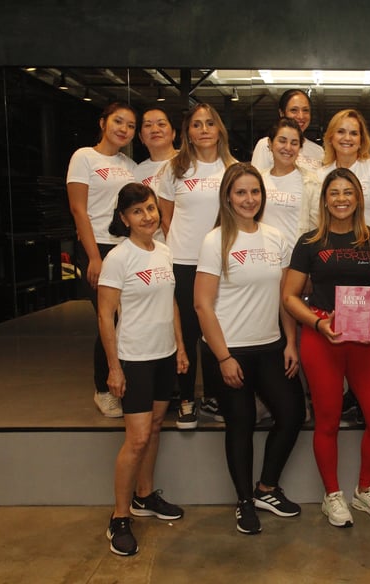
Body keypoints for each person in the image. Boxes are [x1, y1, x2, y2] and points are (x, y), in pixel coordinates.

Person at [194, 163, 306, 535]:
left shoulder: (276, 237)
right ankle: (244, 501)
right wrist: (223, 357)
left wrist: (290, 342)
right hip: (231, 351)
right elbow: (202, 305)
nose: (249, 199)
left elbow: (285, 297)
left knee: (292, 413)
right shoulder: (215, 241)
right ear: (228, 197)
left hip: (271, 346)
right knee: (240, 424)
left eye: (255, 192)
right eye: (241, 192)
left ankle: (266, 489)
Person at [282, 168, 370, 528]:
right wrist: (317, 324)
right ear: (325, 200)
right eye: (334, 193)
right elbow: (289, 296)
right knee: (327, 420)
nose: (341, 199)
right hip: (322, 337)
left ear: (358, 198)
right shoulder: (309, 242)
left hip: (363, 339)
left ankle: (365, 489)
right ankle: (332, 495)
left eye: (348, 192)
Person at [98, 183, 188, 556]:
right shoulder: (119, 258)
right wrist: (114, 368)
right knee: (136, 439)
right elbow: (105, 316)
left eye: (150, 208)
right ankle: (119, 517)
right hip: (134, 358)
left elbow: (171, 304)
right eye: (137, 211)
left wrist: (180, 347)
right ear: (124, 218)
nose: (147, 216)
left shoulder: (164, 251)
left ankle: (144, 495)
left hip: (164, 356)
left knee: (154, 428)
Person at [157, 104, 238, 430]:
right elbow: (165, 216)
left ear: (219, 130)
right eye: (196, 124)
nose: (203, 129)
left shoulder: (233, 168)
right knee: (187, 333)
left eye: (209, 123)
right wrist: (183, 247)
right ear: (187, 132)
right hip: (184, 262)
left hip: (222, 263)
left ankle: (217, 396)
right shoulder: (174, 168)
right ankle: (187, 398)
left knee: (218, 331)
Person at [67, 102, 137, 418]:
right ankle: (104, 389)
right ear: (103, 123)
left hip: (127, 249)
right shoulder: (84, 157)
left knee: (128, 320)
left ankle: (125, 383)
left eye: (130, 125)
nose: (124, 129)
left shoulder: (129, 165)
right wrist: (94, 257)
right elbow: (78, 210)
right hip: (98, 247)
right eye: (118, 121)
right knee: (108, 319)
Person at [318, 109, 370, 234]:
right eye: (341, 132)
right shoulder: (321, 174)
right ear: (331, 137)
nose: (347, 138)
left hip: (369, 243)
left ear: (361, 141)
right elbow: (320, 216)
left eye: (354, 133)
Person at [260, 118, 322, 246]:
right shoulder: (258, 181)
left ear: (300, 148)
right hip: (264, 254)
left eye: (294, 143)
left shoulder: (311, 182)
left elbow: (317, 227)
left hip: (297, 256)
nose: (288, 147)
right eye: (282, 141)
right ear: (270, 143)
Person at [252, 88, 324, 173]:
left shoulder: (318, 151)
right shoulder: (266, 145)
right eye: (294, 110)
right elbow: (256, 178)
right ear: (282, 113)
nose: (301, 116)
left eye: (305, 110)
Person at [134, 107, 177, 243]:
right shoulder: (137, 172)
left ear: (173, 133)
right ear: (141, 137)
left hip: (188, 244)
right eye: (148, 125)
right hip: (154, 246)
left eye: (161, 124)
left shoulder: (190, 162)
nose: (155, 129)